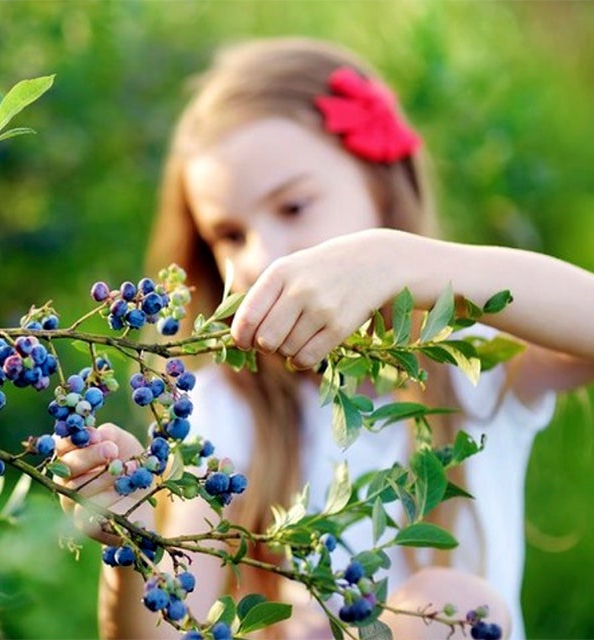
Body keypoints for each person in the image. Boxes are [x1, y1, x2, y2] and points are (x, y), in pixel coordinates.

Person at [56, 37, 594, 640]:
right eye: (229, 235)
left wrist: (404, 262)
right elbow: (161, 631)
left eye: (291, 207)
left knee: (449, 606)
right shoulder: (226, 408)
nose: (259, 256)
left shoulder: (474, 360)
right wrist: (133, 539)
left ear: (380, 186)